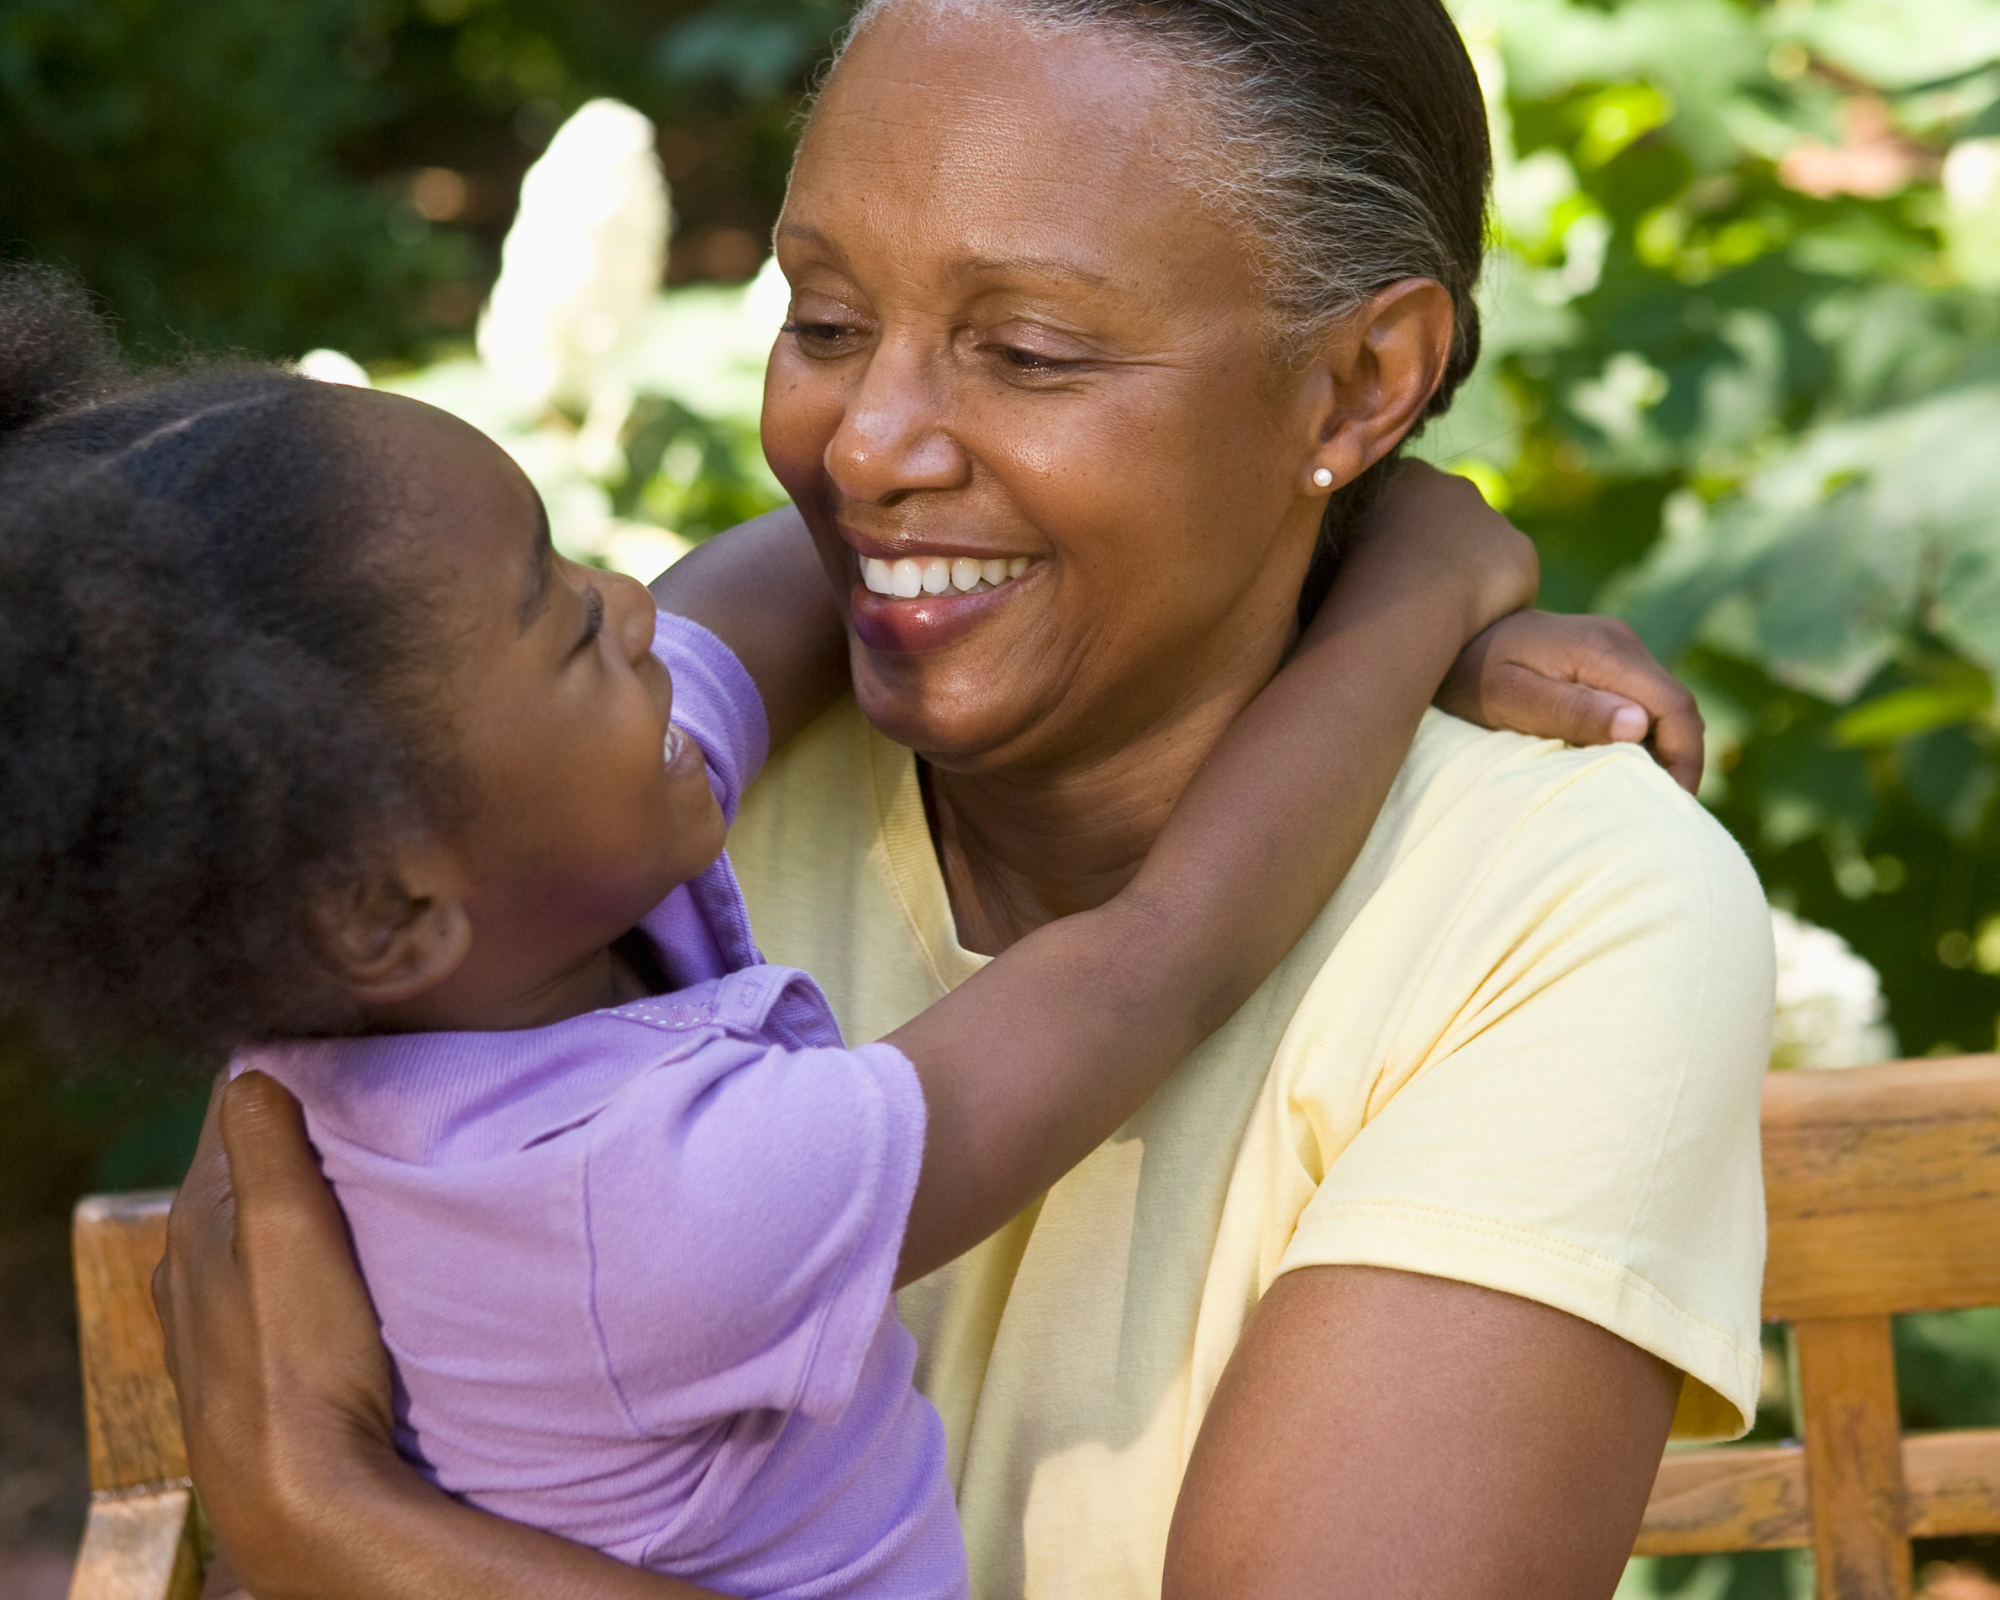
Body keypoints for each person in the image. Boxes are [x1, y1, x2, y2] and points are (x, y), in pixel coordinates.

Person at [153, 0, 1776, 1595]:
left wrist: (347, 1535)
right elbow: (1155, 950)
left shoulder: (1554, 906)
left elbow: (300, 1481)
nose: (862, 447)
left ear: (1362, 384)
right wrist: (1402, 575)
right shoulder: (569, 831)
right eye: (825, 319)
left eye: (1026, 350)